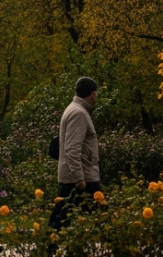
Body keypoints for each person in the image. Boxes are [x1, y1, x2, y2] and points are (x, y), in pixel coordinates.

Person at [49, 77, 101, 231]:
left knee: (61, 219)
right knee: (103, 214)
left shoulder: (75, 109)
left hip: (79, 175)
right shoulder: (78, 113)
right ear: (92, 93)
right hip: (82, 176)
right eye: (96, 93)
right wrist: (79, 177)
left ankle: (51, 245)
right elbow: (71, 148)